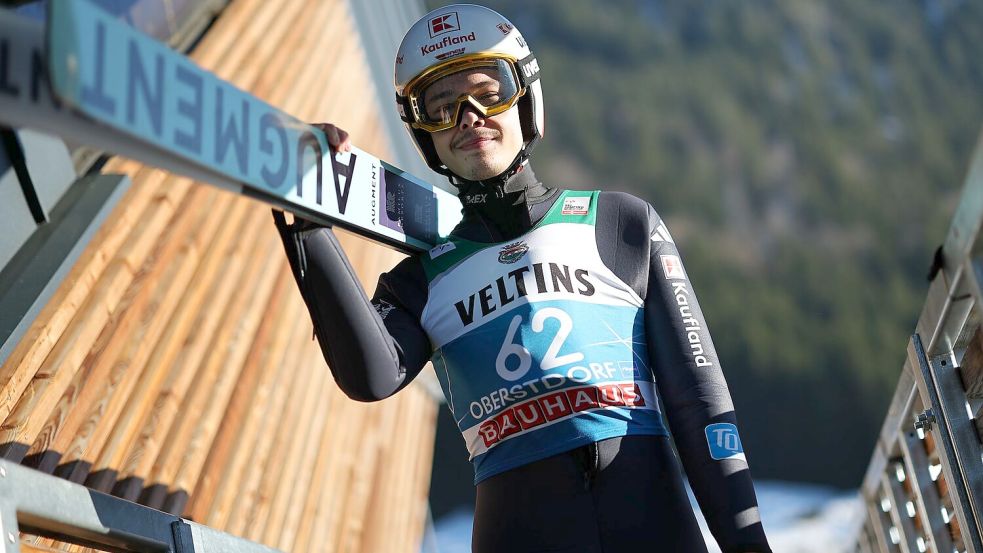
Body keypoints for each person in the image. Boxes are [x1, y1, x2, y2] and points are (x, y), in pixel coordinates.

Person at [274, 4, 772, 552]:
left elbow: (697, 401)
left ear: (527, 101)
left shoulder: (621, 224)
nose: (467, 117)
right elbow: (370, 376)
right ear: (425, 136)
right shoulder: (418, 280)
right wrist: (310, 224)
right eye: (441, 108)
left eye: (489, 94)